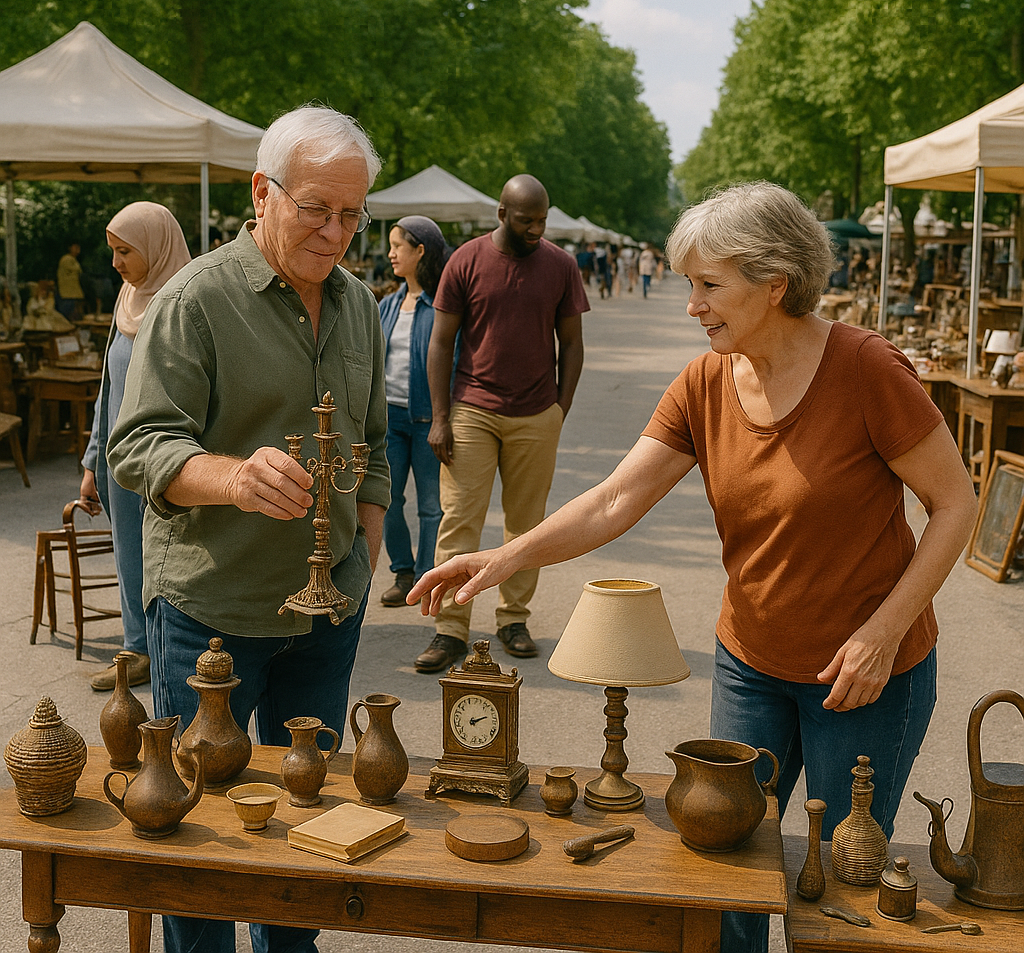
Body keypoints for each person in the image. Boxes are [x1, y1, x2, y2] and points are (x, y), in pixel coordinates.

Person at [409, 182, 977, 953]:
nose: (692, 306)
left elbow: (956, 505)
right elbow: (614, 502)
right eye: (688, 285)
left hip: (866, 675)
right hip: (750, 664)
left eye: (710, 285)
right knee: (724, 868)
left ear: (775, 284)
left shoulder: (865, 367)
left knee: (841, 884)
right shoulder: (705, 381)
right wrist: (502, 555)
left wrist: (883, 633)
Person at [107, 104, 390, 953]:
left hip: (325, 617)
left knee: (308, 835)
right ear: (262, 193)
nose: (335, 231)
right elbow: (140, 445)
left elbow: (371, 448)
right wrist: (233, 476)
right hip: (213, 619)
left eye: (352, 213)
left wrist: (363, 559)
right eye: (316, 208)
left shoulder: (361, 307)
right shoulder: (194, 301)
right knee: (203, 843)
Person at [413, 173, 590, 672]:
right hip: (472, 408)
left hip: (536, 412)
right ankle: (450, 628)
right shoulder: (466, 261)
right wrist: (440, 417)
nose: (537, 228)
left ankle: (513, 617)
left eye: (543, 219)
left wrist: (560, 408)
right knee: (460, 520)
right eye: (526, 220)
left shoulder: (560, 265)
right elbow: (441, 341)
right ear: (501, 214)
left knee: (525, 525)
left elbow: (572, 343)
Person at [80, 202, 191, 691]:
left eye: (125, 251)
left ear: (155, 246)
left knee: (167, 554)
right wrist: (91, 461)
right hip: (121, 456)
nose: (116, 263)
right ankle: (135, 648)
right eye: (115, 251)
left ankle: (171, 647)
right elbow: (108, 385)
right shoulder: (128, 298)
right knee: (128, 549)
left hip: (167, 454)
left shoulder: (184, 301)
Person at [377, 215, 449, 607]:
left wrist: (445, 418)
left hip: (429, 421)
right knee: (388, 499)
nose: (390, 254)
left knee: (430, 506)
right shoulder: (387, 304)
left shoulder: (442, 306)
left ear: (420, 250)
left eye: (397, 246)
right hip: (390, 419)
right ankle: (402, 572)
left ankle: (425, 575)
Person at [55, 241, 85, 321]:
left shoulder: (74, 260)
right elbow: (77, 271)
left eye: (78, 248)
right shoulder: (66, 259)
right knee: (68, 317)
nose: (77, 250)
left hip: (73, 293)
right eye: (75, 248)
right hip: (67, 294)